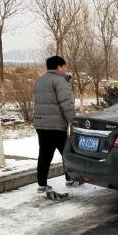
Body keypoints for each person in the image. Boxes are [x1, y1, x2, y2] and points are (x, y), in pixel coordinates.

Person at [33, 55, 80, 194]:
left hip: (41, 124)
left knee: (44, 154)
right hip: (57, 125)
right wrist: (72, 121)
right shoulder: (60, 81)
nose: (66, 69)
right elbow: (66, 104)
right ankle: (71, 179)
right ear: (59, 67)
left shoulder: (39, 81)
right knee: (67, 153)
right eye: (64, 66)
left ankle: (42, 184)